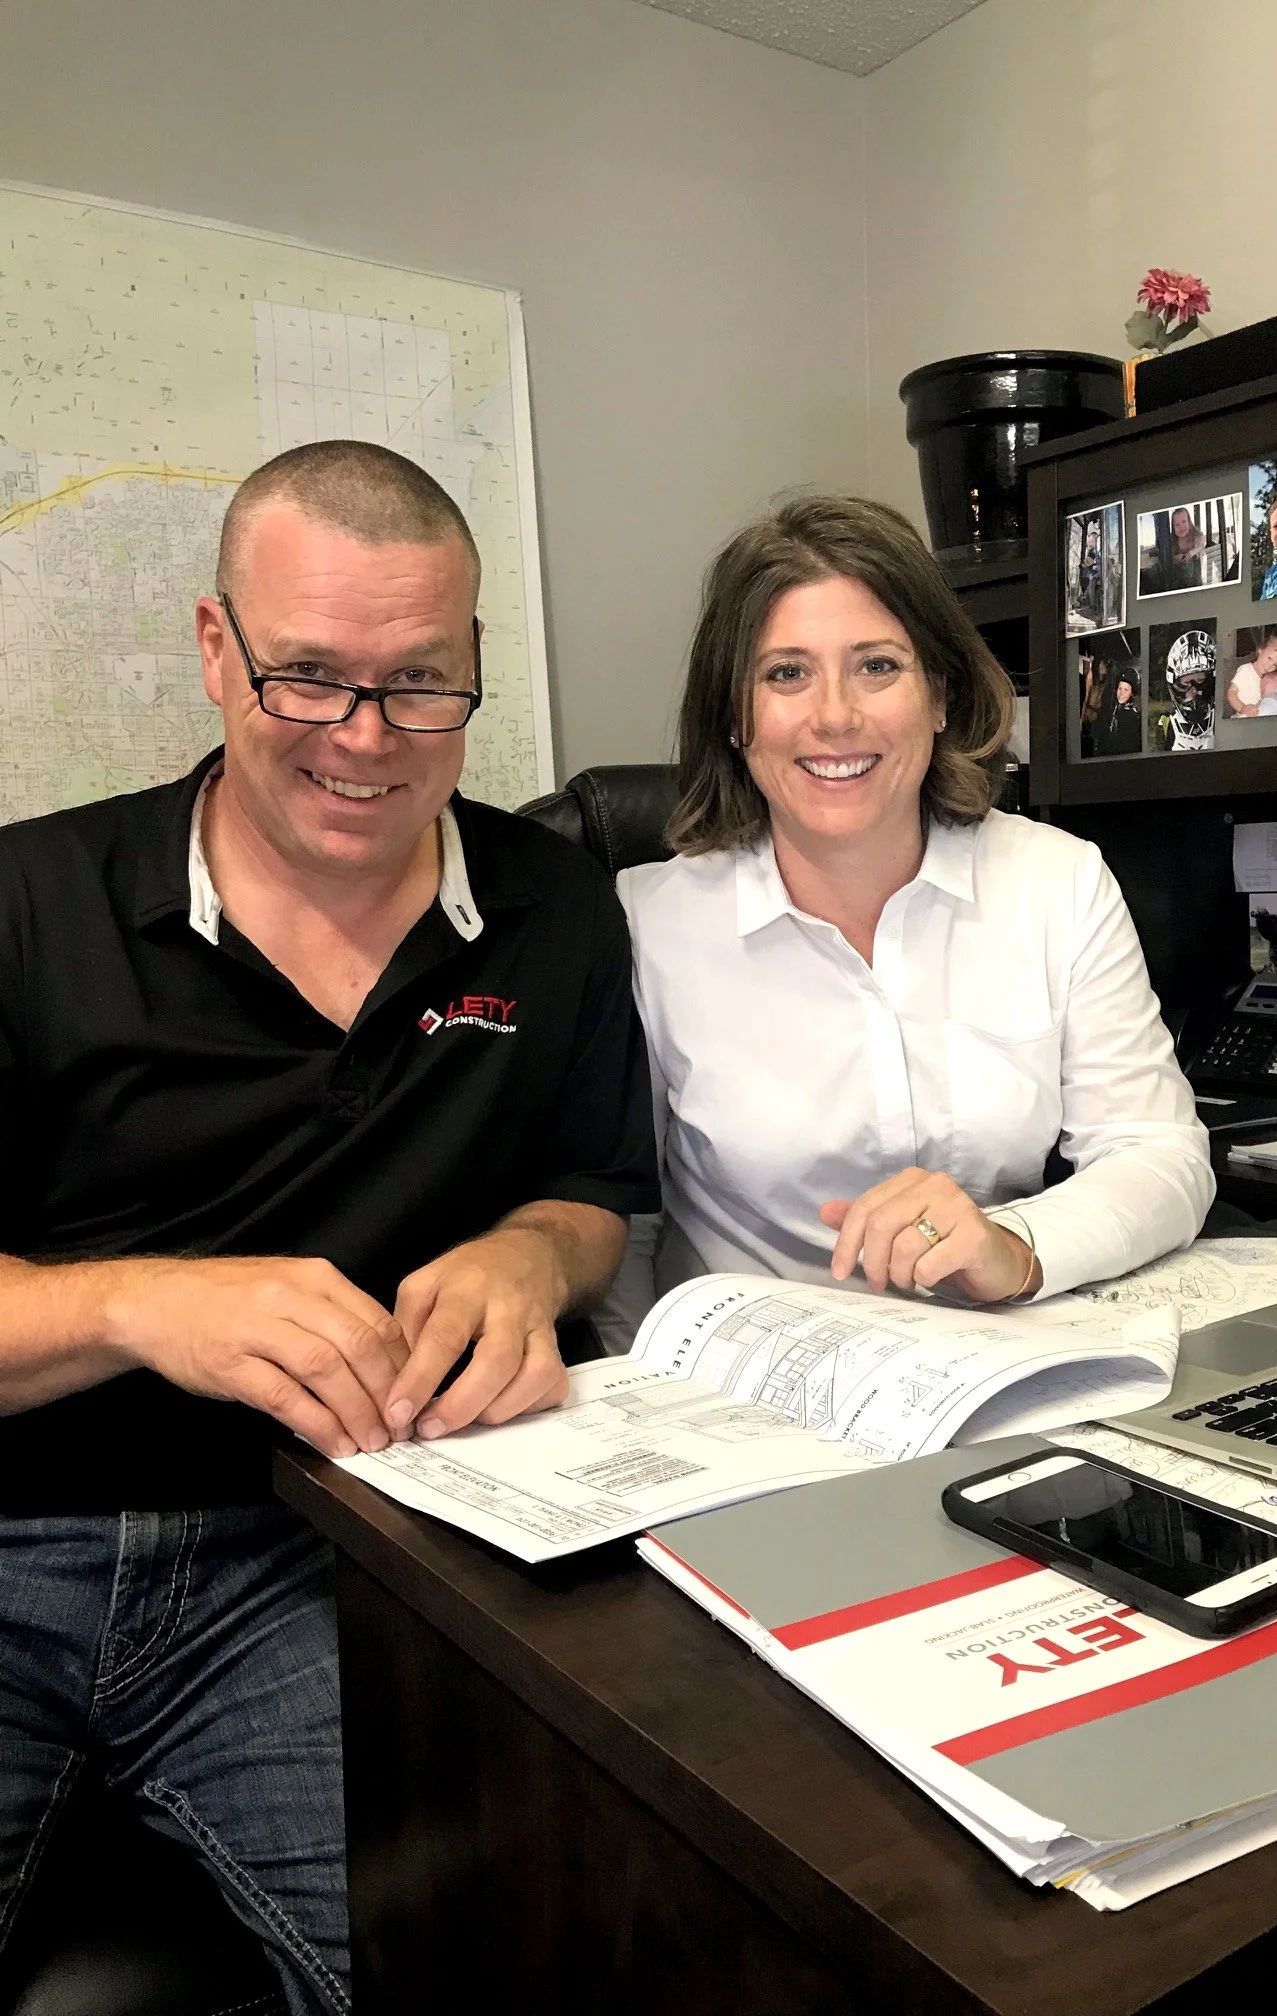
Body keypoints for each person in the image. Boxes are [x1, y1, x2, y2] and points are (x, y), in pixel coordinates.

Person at [0, 442, 659, 2014]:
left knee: (483, 1956)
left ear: (475, 663)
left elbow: (594, 1193)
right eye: (308, 679)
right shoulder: (29, 903)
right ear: (216, 648)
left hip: (332, 1553)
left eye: (421, 685)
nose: (364, 742)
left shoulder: (557, 904)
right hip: (19, 1537)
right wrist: (128, 1308)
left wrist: (533, 1255)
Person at [596, 495, 1213, 1345]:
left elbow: (1160, 1154)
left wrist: (1017, 1246)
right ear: (735, 719)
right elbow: (621, 1230)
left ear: (940, 698)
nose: (835, 716)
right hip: (749, 1403)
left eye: (877, 666)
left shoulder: (1055, 882)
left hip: (1001, 1366)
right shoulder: (646, 924)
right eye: (786, 673)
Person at [1226, 628, 1277, 718]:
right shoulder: (1246, 670)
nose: (1269, 665)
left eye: (1275, 665)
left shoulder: (1270, 679)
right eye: (1269, 658)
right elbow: (1231, 692)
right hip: (1243, 716)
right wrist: (1242, 707)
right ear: (1260, 650)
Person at [1099, 670, 1142, 755]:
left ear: (1132, 693)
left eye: (1126, 690)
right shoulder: (1115, 709)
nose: (1121, 693)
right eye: (1120, 688)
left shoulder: (1132, 717)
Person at [1166, 504, 1205, 589]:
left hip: (1196, 581)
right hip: (1178, 583)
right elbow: (1168, 558)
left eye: (1184, 521)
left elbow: (1201, 546)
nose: (1181, 527)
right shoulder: (1172, 541)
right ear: (1173, 528)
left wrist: (1190, 554)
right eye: (1177, 525)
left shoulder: (1196, 537)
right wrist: (1176, 558)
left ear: (1189, 522)